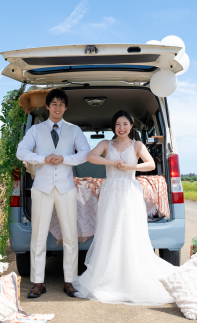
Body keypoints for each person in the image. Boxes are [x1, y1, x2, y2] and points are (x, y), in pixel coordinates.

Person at [72, 110, 175, 305]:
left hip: (129, 190)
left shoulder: (137, 144)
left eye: (125, 124)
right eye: (118, 124)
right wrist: (111, 162)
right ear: (114, 127)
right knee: (110, 231)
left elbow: (150, 164)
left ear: (131, 126)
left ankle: (131, 275)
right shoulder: (105, 144)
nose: (121, 128)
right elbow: (91, 157)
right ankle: (108, 276)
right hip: (110, 190)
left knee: (129, 231)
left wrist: (129, 167)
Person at [15, 88, 90, 298]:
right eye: (54, 104)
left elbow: (85, 152)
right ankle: (38, 282)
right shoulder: (35, 131)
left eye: (61, 104)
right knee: (38, 237)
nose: (58, 107)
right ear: (47, 106)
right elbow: (21, 151)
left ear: (65, 107)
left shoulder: (74, 130)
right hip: (42, 188)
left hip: (66, 189)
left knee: (70, 236)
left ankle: (70, 281)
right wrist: (42, 158)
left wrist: (66, 159)